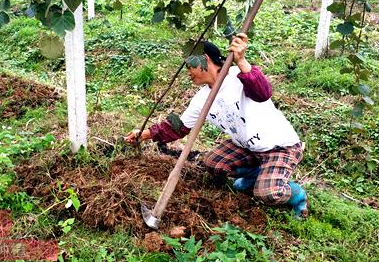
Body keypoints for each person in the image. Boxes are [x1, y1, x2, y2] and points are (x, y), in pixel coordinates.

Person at [125, 33, 308, 218]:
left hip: (279, 147)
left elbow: (263, 93)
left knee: (268, 193)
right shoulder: (201, 98)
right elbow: (178, 127)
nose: (188, 72)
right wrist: (144, 134)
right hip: (247, 147)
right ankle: (258, 174)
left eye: (190, 66)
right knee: (214, 164)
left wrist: (242, 61)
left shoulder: (240, 76)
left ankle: (298, 195)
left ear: (204, 60)